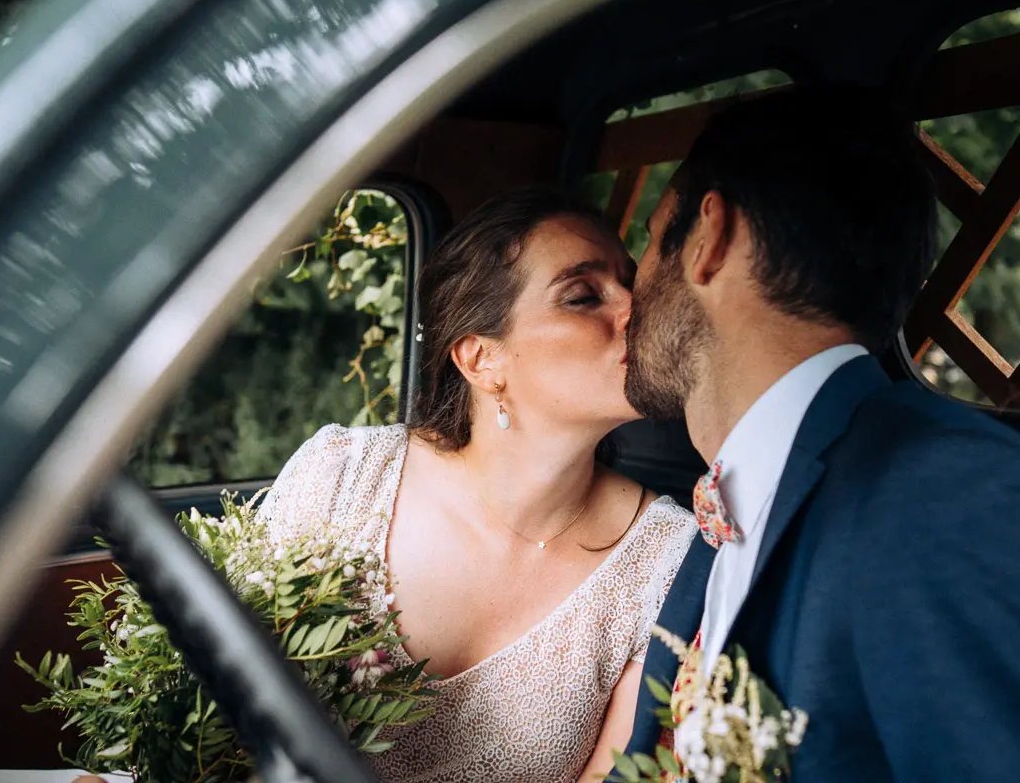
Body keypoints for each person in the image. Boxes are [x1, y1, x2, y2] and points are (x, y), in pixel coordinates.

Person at [621, 85, 1020, 780]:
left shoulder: (954, 501)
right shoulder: (731, 505)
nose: (631, 291)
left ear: (709, 239)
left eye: (650, 242)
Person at [258, 188, 696, 782]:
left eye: (630, 282)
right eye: (582, 296)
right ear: (480, 359)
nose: (635, 309)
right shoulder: (343, 475)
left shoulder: (667, 558)